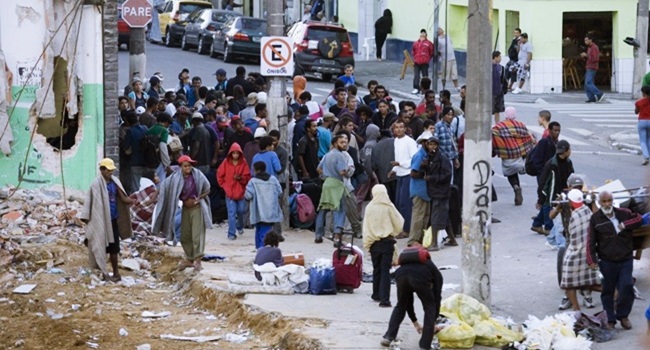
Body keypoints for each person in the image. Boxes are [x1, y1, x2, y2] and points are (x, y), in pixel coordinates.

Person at [587, 191, 643, 330]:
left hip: (625, 259)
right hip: (606, 261)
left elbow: (639, 220)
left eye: (609, 200)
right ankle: (610, 319)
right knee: (607, 291)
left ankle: (623, 316)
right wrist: (591, 260)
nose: (607, 204)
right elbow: (590, 242)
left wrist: (625, 225)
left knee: (627, 286)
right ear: (599, 203)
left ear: (613, 200)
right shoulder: (595, 218)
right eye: (604, 201)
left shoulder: (623, 213)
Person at [153, 155, 212, 271]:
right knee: (185, 236)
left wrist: (200, 197)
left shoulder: (198, 175)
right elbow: (165, 186)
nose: (188, 168)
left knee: (196, 235)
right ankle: (190, 259)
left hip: (197, 208)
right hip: (186, 209)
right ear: (180, 167)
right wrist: (154, 195)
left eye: (189, 166)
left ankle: (198, 260)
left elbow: (207, 188)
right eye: (185, 166)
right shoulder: (175, 178)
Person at [80, 158, 134, 282]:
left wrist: (134, 200)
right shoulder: (96, 184)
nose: (110, 172)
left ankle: (116, 273)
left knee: (114, 248)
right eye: (108, 170)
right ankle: (104, 273)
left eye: (112, 170)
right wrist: (87, 219)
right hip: (102, 221)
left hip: (113, 220)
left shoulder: (114, 182)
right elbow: (91, 203)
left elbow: (123, 198)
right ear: (102, 170)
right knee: (100, 246)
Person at [381, 243, 443, 349]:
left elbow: (407, 303)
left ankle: (388, 337)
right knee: (429, 307)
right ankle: (425, 344)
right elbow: (436, 298)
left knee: (401, 305)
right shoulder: (429, 265)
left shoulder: (405, 265)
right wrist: (433, 322)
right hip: (420, 276)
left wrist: (415, 322)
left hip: (400, 275)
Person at [559, 189, 601, 311]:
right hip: (590, 251)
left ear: (571, 202)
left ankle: (576, 309)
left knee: (567, 282)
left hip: (577, 252)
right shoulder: (587, 210)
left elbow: (573, 236)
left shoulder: (575, 215)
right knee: (591, 282)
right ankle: (614, 292)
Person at [363, 184, 403, 308]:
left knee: (377, 269)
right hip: (387, 242)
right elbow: (399, 222)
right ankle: (385, 300)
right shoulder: (389, 206)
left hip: (374, 243)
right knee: (385, 270)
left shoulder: (369, 207)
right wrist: (393, 231)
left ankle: (376, 294)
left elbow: (366, 227)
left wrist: (367, 243)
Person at [491, 107, 535, 206]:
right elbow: (527, 137)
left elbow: (493, 134)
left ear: (505, 115)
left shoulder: (499, 126)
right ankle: (517, 187)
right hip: (520, 152)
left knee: (510, 173)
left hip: (507, 154)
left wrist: (496, 149)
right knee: (515, 169)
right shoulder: (520, 125)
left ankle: (515, 186)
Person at [315, 135, 352, 245]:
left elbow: (318, 169)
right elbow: (342, 172)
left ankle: (318, 235)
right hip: (336, 183)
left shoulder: (327, 155)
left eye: (345, 142)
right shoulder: (339, 155)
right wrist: (348, 172)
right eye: (342, 142)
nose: (344, 144)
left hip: (327, 183)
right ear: (335, 143)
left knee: (323, 209)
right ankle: (337, 237)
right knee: (339, 210)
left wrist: (326, 174)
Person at [421, 136, 456, 250]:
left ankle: (434, 243)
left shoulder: (442, 158)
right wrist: (424, 167)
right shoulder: (430, 158)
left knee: (435, 217)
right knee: (444, 216)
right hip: (434, 191)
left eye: (434, 145)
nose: (432, 147)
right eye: (430, 144)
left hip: (441, 192)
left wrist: (432, 178)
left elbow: (447, 175)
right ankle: (452, 239)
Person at [533, 139, 574, 236]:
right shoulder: (551, 164)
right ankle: (548, 229)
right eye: (569, 150)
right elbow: (543, 182)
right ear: (566, 151)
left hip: (563, 193)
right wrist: (540, 198)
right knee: (548, 208)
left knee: (548, 208)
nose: (570, 151)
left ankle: (537, 224)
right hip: (551, 195)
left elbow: (572, 176)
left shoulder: (568, 162)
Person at [389, 120, 418, 239]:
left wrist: (400, 163)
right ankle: (400, 227)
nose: (399, 130)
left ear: (405, 128)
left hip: (407, 173)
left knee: (405, 203)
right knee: (398, 202)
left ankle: (407, 229)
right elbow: (398, 158)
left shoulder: (410, 142)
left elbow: (414, 158)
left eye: (401, 127)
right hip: (400, 174)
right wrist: (394, 169)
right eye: (396, 128)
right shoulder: (396, 141)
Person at [217, 143, 251, 241]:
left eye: (237, 153)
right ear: (230, 154)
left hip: (240, 193)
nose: (235, 155)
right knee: (231, 213)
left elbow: (247, 177)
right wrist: (224, 185)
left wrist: (240, 178)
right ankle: (231, 233)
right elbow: (219, 174)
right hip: (229, 193)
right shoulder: (225, 162)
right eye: (233, 153)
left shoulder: (243, 163)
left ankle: (239, 226)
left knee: (241, 211)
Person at [246, 161, 283, 249]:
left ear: (256, 170)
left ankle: (261, 253)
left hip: (258, 212)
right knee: (265, 231)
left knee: (260, 233)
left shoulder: (253, 181)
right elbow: (280, 192)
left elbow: (248, 195)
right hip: (270, 212)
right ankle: (261, 253)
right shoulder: (273, 179)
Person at [407, 132, 433, 246]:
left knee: (425, 216)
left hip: (425, 191)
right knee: (418, 216)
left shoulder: (427, 155)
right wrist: (424, 175)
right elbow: (413, 173)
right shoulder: (419, 156)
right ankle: (413, 240)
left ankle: (421, 239)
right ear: (424, 143)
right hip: (419, 190)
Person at [581, 33, 605, 103]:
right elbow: (589, 58)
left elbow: (595, 59)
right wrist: (584, 56)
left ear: (590, 40)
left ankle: (599, 93)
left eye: (586, 40)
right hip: (589, 66)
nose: (585, 41)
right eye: (584, 40)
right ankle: (592, 97)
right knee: (586, 84)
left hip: (592, 67)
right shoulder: (589, 47)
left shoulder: (594, 47)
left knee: (588, 82)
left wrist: (587, 56)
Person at [411, 29, 434, 94]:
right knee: (416, 76)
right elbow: (413, 51)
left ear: (426, 35)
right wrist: (415, 59)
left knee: (425, 76)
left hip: (424, 62)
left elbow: (431, 52)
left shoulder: (428, 43)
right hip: (417, 62)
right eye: (421, 33)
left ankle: (426, 88)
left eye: (424, 33)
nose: (422, 35)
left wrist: (427, 58)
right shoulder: (416, 43)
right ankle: (416, 88)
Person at [635, 85, 650, 165]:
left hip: (642, 122)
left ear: (643, 93)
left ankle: (646, 156)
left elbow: (636, 112)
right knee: (648, 139)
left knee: (643, 141)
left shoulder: (639, 102)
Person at [492, 51, 506, 123]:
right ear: (496, 57)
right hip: (491, 91)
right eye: (499, 57)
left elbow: (503, 80)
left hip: (499, 92)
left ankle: (497, 124)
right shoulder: (488, 67)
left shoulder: (501, 68)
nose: (500, 58)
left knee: (497, 110)